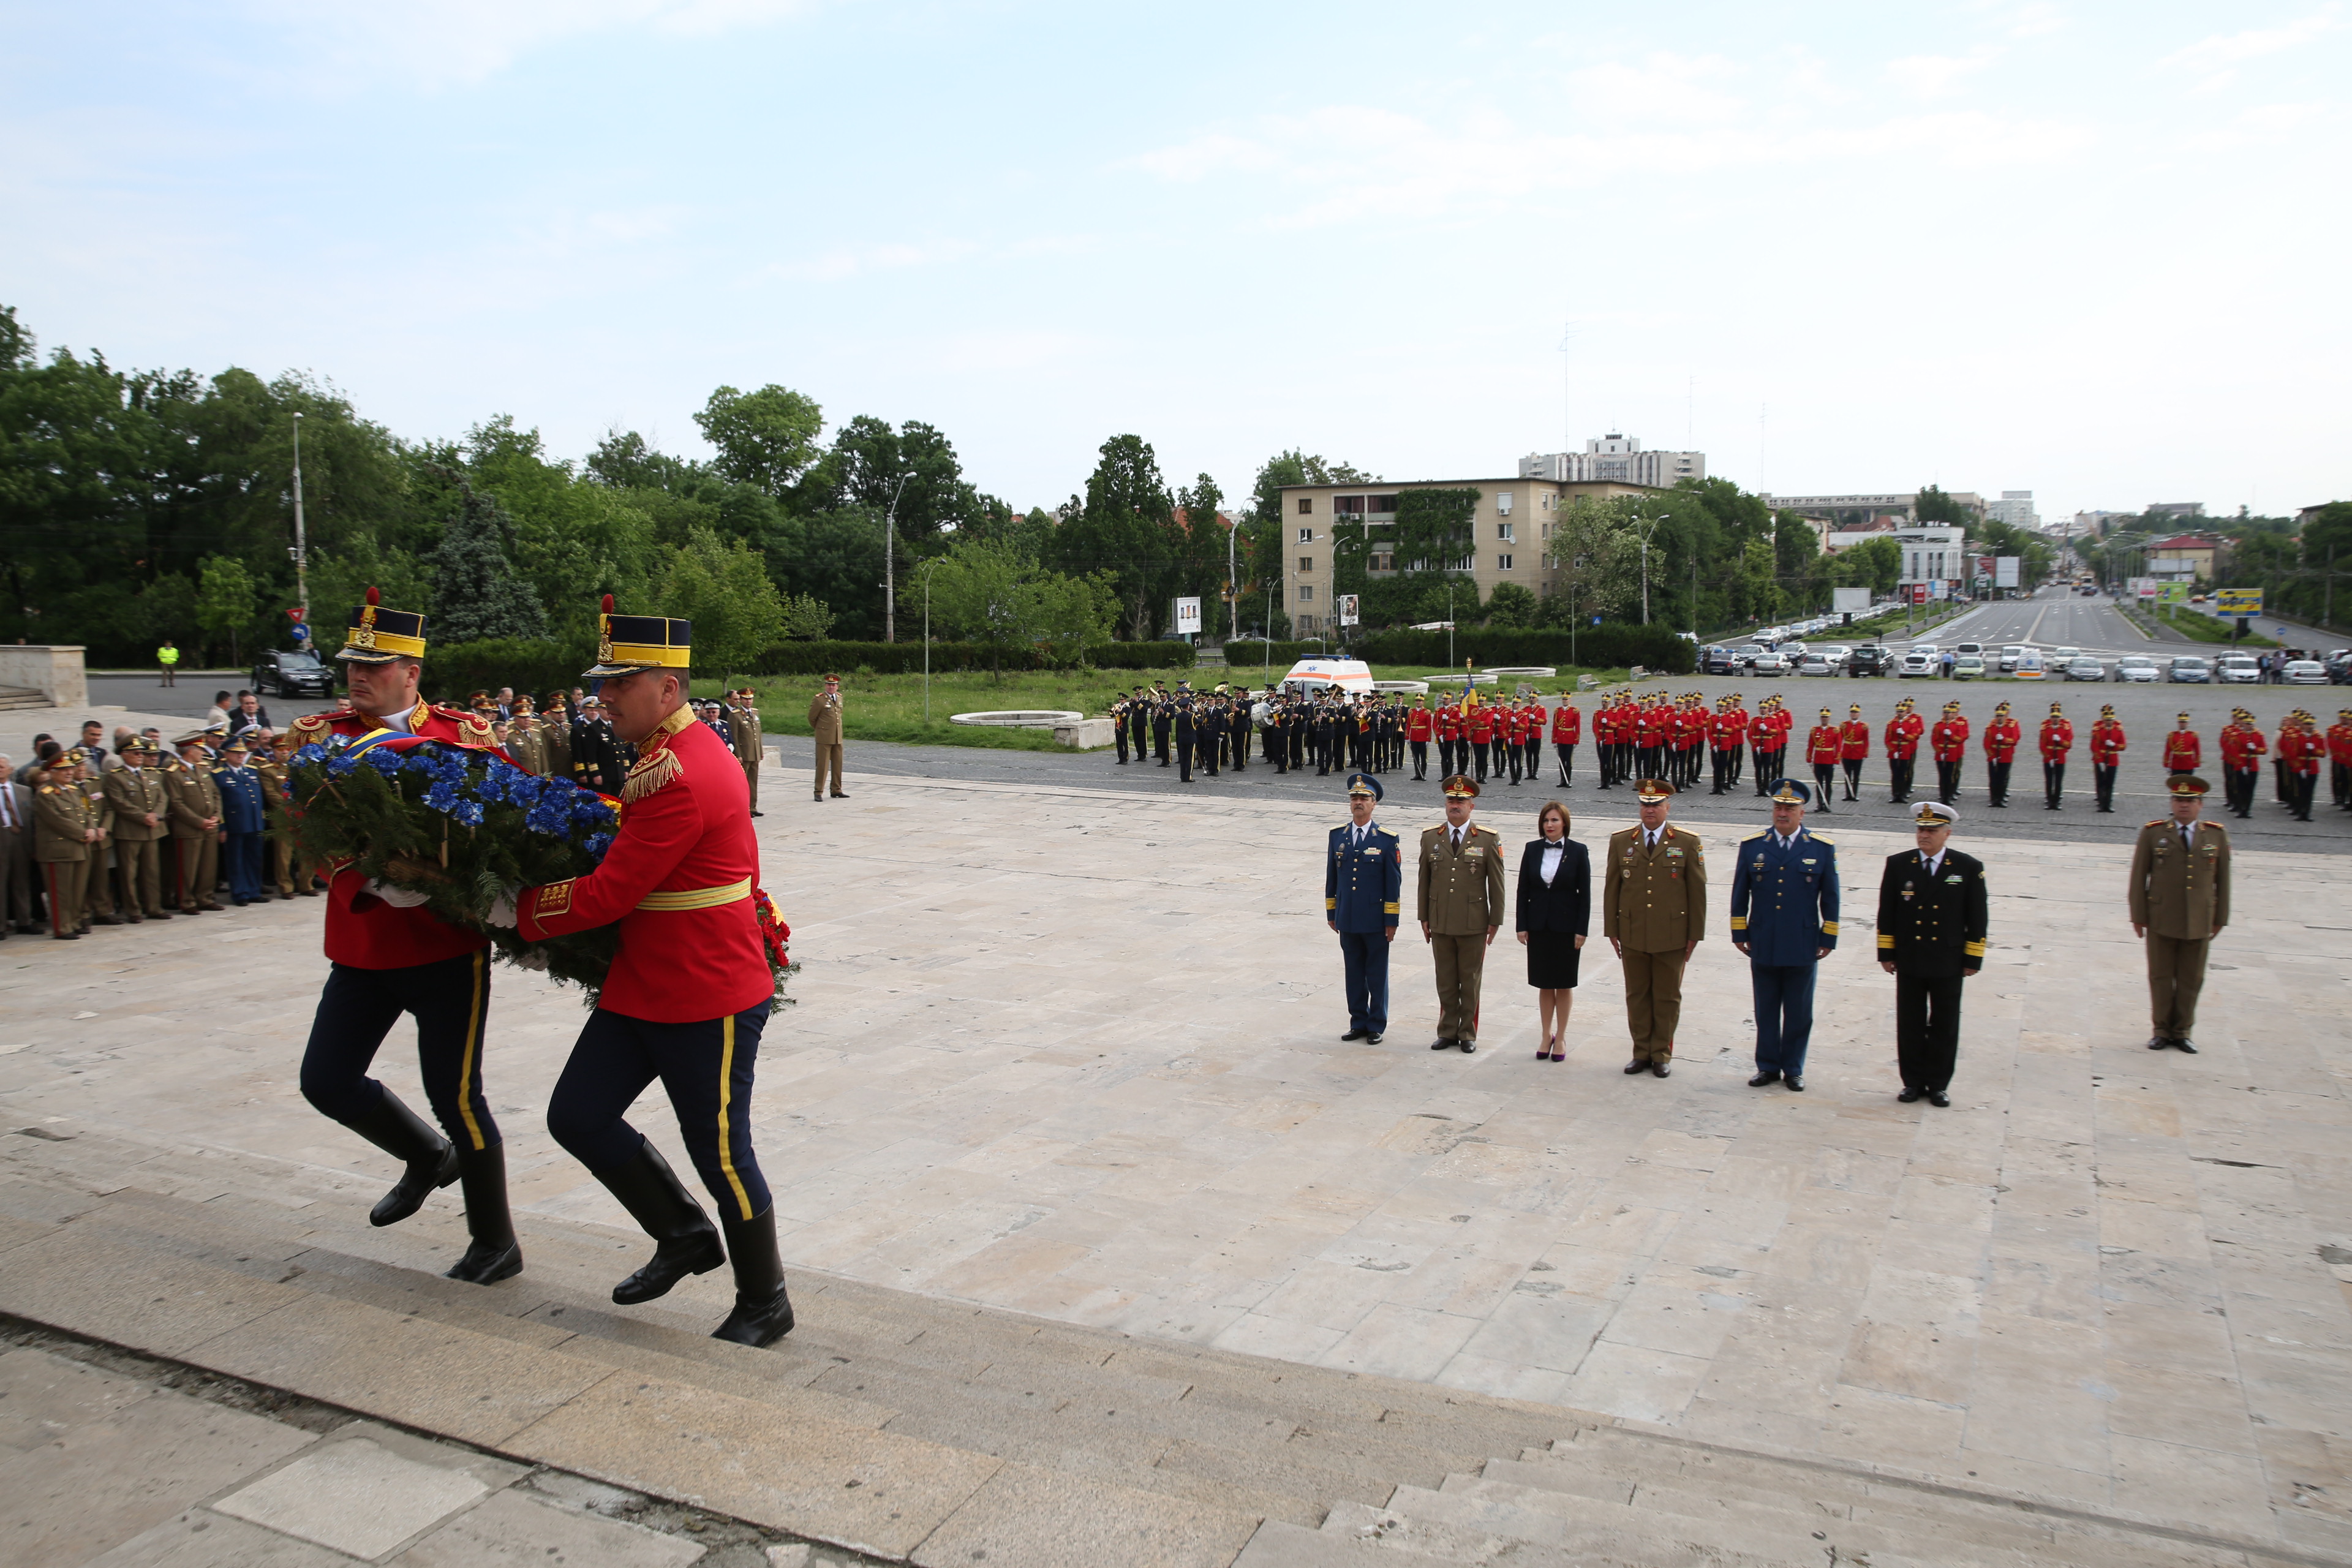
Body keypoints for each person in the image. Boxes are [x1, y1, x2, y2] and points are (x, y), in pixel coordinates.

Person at [500, 596, 791, 1348]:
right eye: (602, 682)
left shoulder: (678, 773)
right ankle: (683, 1233)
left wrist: (514, 909)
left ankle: (766, 1301)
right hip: (648, 981)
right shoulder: (672, 754)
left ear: (667, 688)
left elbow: (609, 893)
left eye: (618, 682)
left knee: (723, 1154)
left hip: (706, 990)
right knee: (578, 1113)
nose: (602, 697)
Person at [286, 589, 519, 1288]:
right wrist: (369, 878)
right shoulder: (325, 739)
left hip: (446, 948)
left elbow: (511, 826)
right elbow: (307, 834)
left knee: (458, 1096)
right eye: (352, 664)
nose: (357, 676)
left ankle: (495, 1240)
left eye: (375, 665)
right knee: (325, 1080)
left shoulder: (465, 735)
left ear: (412, 672)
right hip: (363, 944)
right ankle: (425, 1155)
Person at [1876, 801, 1986, 1107]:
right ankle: (1912, 1082)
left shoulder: (1967, 867)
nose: (1924, 835)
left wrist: (1972, 958)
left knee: (1944, 1024)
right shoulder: (1899, 865)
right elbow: (1888, 912)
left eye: (1932, 830)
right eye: (1921, 830)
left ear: (1947, 833)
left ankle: (1938, 1084)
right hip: (1911, 957)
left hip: (1947, 959)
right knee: (1909, 1023)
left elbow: (1977, 916)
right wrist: (1887, 952)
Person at [1731, 779, 1838, 1092]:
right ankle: (1767, 1066)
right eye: (1778, 807)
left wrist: (1827, 936)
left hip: (1802, 942)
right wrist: (1740, 931)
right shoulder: (1754, 846)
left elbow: (1830, 897)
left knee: (1798, 1011)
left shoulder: (1820, 848)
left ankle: (1793, 1068)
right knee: (1765, 1009)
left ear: (1802, 813)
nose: (1783, 813)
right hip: (1763, 938)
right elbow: (1741, 892)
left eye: (1790, 809)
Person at [1602, 778, 1706, 1079]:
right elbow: (1613, 887)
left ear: (1667, 807)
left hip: (1671, 934)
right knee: (1637, 995)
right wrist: (1612, 928)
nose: (1650, 810)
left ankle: (1661, 1053)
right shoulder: (1623, 840)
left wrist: (1694, 935)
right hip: (1633, 931)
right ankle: (1640, 1052)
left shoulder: (1686, 842)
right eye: (1645, 805)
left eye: (1656, 805)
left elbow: (1697, 892)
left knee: (1667, 996)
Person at [2128, 775, 2230, 1054]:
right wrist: (2139, 915)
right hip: (2162, 916)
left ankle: (2183, 1031)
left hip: (2199, 919)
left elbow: (2223, 881)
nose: (2183, 806)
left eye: (2190, 801)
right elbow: (2139, 877)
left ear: (2201, 805)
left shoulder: (2215, 835)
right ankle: (2161, 1029)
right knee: (2160, 977)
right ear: (2172, 803)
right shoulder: (2154, 833)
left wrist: (2221, 917)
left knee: (2191, 978)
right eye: (2178, 801)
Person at [1418, 774, 1506, 1054]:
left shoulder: (1488, 839)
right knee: (1445, 979)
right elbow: (1424, 880)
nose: (1455, 805)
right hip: (1440, 919)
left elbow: (1497, 883)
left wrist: (1495, 920)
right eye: (1451, 800)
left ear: (1472, 806)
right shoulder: (1431, 837)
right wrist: (1424, 916)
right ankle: (1446, 1031)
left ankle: (1467, 1032)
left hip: (1473, 922)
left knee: (1469, 980)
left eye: (1461, 801)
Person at [1327, 772, 1401, 1045]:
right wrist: (1332, 912)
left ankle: (1376, 1024)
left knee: (1376, 974)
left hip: (1375, 919)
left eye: (1364, 799)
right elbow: (1332, 878)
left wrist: (1391, 919)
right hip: (1347, 917)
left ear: (1374, 804)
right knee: (1354, 973)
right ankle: (1358, 1021)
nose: (1358, 803)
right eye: (1354, 798)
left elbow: (1393, 883)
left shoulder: (1386, 839)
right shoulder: (1338, 836)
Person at [1515, 799, 1589, 1063]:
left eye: (1555, 820)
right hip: (1539, 926)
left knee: (1564, 983)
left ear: (1565, 823)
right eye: (1546, 821)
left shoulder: (1578, 851)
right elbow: (1523, 888)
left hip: (1567, 927)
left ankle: (1562, 1035)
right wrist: (1521, 925)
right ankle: (1546, 1035)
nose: (1550, 825)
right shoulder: (1532, 849)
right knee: (1545, 983)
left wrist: (1582, 929)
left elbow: (1585, 894)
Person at [31, 748, 99, 938]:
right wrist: (83, 833)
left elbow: (86, 813)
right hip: (58, 850)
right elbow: (57, 821)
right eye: (64, 770)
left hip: (80, 847)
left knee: (77, 890)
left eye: (70, 768)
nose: (70, 772)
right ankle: (62, 927)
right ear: (52, 772)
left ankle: (74, 921)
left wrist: (92, 828)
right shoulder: (46, 794)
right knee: (61, 891)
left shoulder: (73, 790)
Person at [102, 738, 171, 921]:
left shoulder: (151, 774)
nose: (141, 756)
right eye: (136, 753)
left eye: (142, 753)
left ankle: (153, 907)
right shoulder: (115, 777)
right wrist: (144, 817)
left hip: (152, 830)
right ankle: (133, 909)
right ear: (124, 755)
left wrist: (156, 815)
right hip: (130, 832)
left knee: (151, 872)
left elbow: (163, 797)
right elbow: (120, 804)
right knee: (129, 873)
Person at [162, 731, 225, 912]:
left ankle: (205, 897)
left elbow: (215, 794)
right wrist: (199, 821)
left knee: (208, 865)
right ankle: (187, 900)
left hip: (210, 826)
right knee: (188, 868)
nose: (202, 752)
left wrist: (216, 816)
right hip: (189, 828)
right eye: (199, 748)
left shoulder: (203, 768)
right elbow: (176, 803)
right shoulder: (173, 774)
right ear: (189, 750)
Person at [0, 753, 32, 936]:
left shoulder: (23, 791)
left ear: (11, 770)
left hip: (21, 838)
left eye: (2, 767)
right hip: (2, 838)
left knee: (22, 881)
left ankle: (25, 921)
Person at [809, 674, 846, 800]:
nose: (831, 687)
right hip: (824, 737)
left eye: (834, 685)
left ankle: (836, 789)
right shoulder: (819, 699)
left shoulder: (840, 698)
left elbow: (839, 715)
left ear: (837, 687)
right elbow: (812, 718)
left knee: (837, 764)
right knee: (822, 766)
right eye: (829, 685)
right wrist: (821, 730)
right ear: (825, 686)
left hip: (837, 737)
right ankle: (818, 791)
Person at [2089, 704, 2127, 813]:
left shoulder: (2118, 730)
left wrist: (2114, 745)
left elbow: (2123, 745)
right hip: (2101, 758)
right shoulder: (2098, 730)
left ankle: (2108, 804)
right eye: (2107, 720)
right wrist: (2099, 760)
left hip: (2113, 759)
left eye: (2111, 720)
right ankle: (2101, 804)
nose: (2109, 722)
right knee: (2101, 783)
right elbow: (2094, 746)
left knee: (2110, 783)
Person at [1931, 700, 1969, 805]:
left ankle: (1949, 795)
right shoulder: (1938, 726)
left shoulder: (1958, 725)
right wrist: (1940, 752)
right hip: (1941, 754)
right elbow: (1934, 741)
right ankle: (1943, 796)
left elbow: (1961, 738)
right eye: (1946, 713)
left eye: (1950, 713)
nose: (1947, 715)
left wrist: (1951, 735)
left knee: (1950, 775)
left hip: (1953, 753)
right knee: (1942, 776)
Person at [1983, 701, 2020, 807]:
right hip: (1994, 756)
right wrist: (1992, 756)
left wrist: (2004, 740)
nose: (1999, 718)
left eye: (2002, 716)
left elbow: (2014, 740)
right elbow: (1986, 744)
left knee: (2003, 778)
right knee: (1993, 779)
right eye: (1998, 716)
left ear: (2005, 716)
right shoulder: (1991, 728)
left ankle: (2001, 798)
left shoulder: (2011, 727)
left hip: (2006, 755)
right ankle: (1993, 799)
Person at [2038, 701, 2073, 810]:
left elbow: (2068, 744)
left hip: (2060, 757)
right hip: (2049, 757)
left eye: (2057, 717)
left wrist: (2061, 741)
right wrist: (2048, 758)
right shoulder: (2046, 728)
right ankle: (2049, 800)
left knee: (2058, 780)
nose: (2055, 719)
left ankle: (2057, 801)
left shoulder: (2065, 728)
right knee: (2049, 780)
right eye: (2053, 717)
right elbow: (2042, 744)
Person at [1806, 707, 1841, 813]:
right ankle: (1819, 803)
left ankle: (1827, 803)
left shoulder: (1835, 731)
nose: (1824, 719)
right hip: (1818, 760)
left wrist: (1836, 760)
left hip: (1829, 760)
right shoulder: (1815, 730)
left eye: (1826, 717)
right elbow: (1811, 745)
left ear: (1829, 718)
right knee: (1819, 783)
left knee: (1828, 784)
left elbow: (1839, 746)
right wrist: (1809, 758)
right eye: (1823, 717)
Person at [1838, 703, 1870, 802]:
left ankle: (1854, 794)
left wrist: (1865, 753)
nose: (1854, 714)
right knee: (1847, 775)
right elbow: (1840, 740)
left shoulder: (1863, 726)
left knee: (1856, 775)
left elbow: (1866, 740)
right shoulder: (1844, 725)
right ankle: (1848, 793)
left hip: (1858, 752)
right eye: (1852, 712)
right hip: (1847, 752)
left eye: (1856, 713)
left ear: (1859, 714)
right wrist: (1839, 753)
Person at [1551, 695, 1580, 787]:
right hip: (1560, 738)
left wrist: (1576, 739)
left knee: (1568, 760)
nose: (1565, 701)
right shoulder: (1558, 711)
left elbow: (1578, 726)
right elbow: (1555, 725)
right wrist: (1554, 738)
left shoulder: (1574, 711)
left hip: (1570, 738)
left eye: (1566, 699)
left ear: (1570, 700)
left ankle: (1568, 779)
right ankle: (1562, 780)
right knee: (1561, 760)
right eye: (1563, 699)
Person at [2161, 713, 2201, 781]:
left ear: (2188, 723)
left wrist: (2197, 764)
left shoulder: (2193, 735)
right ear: (2178, 723)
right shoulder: (2172, 735)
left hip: (2189, 765)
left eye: (2184, 722)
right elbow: (2167, 751)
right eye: (2181, 722)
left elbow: (2197, 751)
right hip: (2176, 764)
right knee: (2176, 785)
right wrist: (2166, 765)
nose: (2183, 724)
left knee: (2188, 785)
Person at [2331, 707, 2352, 812]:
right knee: (2341, 779)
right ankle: (2341, 798)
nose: (2347, 720)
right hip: (2343, 759)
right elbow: (2337, 745)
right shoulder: (2342, 731)